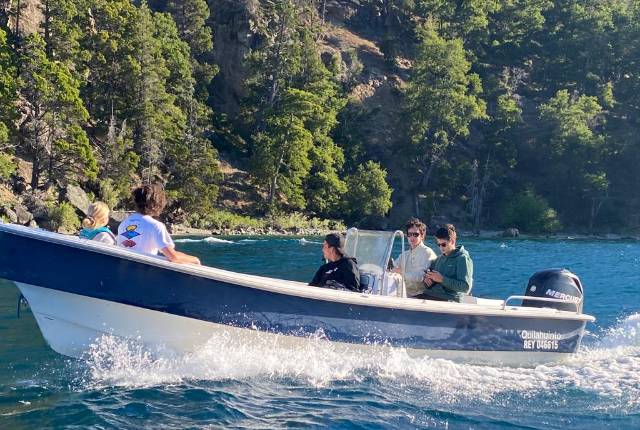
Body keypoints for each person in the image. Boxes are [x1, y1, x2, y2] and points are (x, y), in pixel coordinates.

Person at [117, 184, 201, 265]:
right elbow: (173, 257)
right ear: (156, 205)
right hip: (142, 271)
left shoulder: (124, 223)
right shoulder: (155, 226)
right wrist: (195, 260)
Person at [418, 224, 473, 302]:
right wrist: (427, 281)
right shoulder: (438, 259)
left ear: (452, 241)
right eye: (439, 244)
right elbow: (430, 282)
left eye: (443, 244)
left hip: (449, 299)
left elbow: (465, 287)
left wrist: (442, 279)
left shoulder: (462, 259)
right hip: (430, 295)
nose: (441, 247)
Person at [392, 218, 437, 297]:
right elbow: (393, 267)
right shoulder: (404, 254)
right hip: (403, 293)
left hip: (421, 295)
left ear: (422, 236)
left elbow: (422, 276)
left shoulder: (428, 253)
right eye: (409, 234)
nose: (412, 237)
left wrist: (402, 273)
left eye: (415, 234)